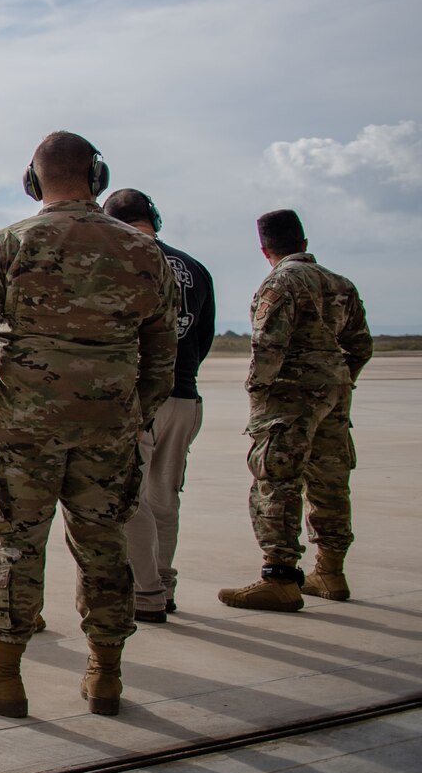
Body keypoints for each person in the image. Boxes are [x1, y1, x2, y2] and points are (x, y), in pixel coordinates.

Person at [0, 132, 177, 719]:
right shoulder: (145, 252)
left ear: (32, 179)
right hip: (109, 427)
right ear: (96, 177)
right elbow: (161, 354)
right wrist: (132, 413)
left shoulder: (6, 245)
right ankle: (105, 675)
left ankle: (2, 674)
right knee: (104, 545)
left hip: (22, 427)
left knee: (14, 545)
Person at [219, 209, 372, 611]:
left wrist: (258, 391)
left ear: (264, 249)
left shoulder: (280, 281)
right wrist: (337, 376)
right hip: (334, 393)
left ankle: (280, 576)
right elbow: (361, 345)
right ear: (304, 243)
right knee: (330, 481)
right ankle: (330, 571)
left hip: (288, 398)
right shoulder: (340, 284)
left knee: (276, 482)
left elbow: (268, 344)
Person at [102, 189, 214, 624]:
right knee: (165, 498)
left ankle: (145, 592)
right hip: (185, 395)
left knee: (132, 501)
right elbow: (201, 339)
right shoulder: (195, 268)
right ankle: (164, 585)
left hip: (139, 398)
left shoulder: (124, 261)